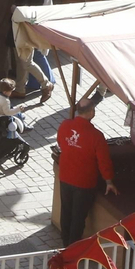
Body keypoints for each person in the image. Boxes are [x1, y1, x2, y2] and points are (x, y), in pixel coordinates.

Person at [56, 96, 116, 247]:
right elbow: (104, 161)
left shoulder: (64, 125)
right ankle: (72, 247)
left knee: (66, 211)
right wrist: (108, 181)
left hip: (65, 176)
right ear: (91, 112)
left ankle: (65, 242)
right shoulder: (96, 135)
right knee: (78, 216)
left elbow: (60, 143)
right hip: (84, 182)